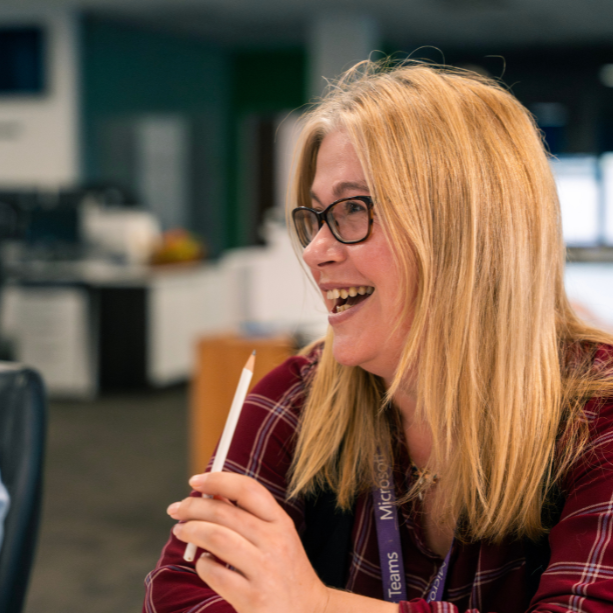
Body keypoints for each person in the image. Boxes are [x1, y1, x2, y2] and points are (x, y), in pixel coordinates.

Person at [143, 61, 613, 613]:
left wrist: (314, 606)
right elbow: (180, 590)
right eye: (316, 217)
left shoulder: (594, 419)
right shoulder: (302, 392)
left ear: (467, 230)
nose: (316, 250)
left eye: (353, 209)